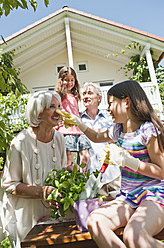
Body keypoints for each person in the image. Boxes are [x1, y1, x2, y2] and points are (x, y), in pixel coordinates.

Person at [58, 80, 164, 247]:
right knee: (95, 221)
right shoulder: (117, 130)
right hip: (128, 197)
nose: (107, 109)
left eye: (111, 103)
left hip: (154, 194)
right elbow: (96, 137)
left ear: (126, 102)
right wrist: (78, 122)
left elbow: (161, 171)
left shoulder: (147, 130)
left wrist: (129, 162)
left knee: (134, 235)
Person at [0, 90, 67, 247]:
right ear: (38, 113)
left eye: (59, 106)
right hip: (28, 216)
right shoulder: (20, 142)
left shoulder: (59, 138)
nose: (58, 111)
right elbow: (9, 185)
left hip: (56, 213)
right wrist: (42, 192)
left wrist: (70, 172)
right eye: (51, 107)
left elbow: (61, 172)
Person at [80, 82, 121, 193]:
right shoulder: (78, 121)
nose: (86, 96)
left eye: (89, 93)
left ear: (99, 98)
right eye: (84, 94)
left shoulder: (109, 119)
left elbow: (117, 141)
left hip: (113, 174)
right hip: (90, 177)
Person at [55, 66, 91, 171]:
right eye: (66, 80)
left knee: (85, 155)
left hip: (78, 128)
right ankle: (68, 177)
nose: (69, 83)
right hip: (66, 129)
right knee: (68, 158)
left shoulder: (75, 95)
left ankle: (82, 175)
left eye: (72, 80)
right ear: (61, 80)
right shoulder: (59, 95)